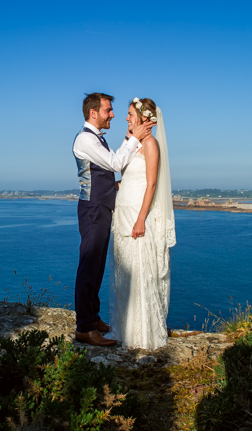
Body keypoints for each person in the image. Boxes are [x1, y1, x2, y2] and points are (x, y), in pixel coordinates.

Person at [72, 92, 154, 347]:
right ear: (93, 113)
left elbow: (104, 174)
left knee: (95, 268)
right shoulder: (86, 139)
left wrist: (123, 186)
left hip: (101, 207)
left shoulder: (96, 139)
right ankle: (84, 328)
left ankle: (93, 317)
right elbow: (115, 162)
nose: (113, 114)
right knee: (88, 267)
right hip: (94, 210)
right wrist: (133, 137)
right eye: (108, 110)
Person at [108, 97, 175, 350]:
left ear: (143, 117)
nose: (126, 118)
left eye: (129, 114)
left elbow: (152, 184)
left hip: (137, 218)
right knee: (124, 275)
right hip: (122, 215)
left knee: (139, 275)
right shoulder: (132, 143)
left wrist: (140, 219)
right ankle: (125, 330)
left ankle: (144, 337)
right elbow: (125, 174)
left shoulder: (151, 145)